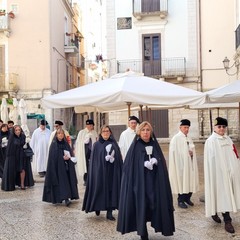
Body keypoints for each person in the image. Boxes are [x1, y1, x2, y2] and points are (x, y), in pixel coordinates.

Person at [117, 121, 175, 240]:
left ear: (151, 132)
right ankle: (143, 232)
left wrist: (156, 161)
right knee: (141, 205)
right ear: (139, 132)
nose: (145, 132)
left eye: (148, 130)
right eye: (143, 130)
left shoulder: (154, 145)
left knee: (154, 204)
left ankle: (157, 223)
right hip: (139, 184)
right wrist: (141, 164)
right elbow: (128, 166)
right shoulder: (136, 147)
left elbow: (162, 164)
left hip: (154, 183)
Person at [204, 117, 240, 234]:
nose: (221, 129)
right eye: (219, 126)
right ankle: (226, 220)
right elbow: (210, 161)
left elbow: (234, 154)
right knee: (220, 193)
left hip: (229, 173)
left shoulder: (228, 140)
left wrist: (234, 168)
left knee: (227, 194)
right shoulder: (211, 141)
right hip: (218, 174)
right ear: (214, 127)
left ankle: (220, 214)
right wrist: (220, 171)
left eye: (223, 127)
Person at [82, 125, 123, 220]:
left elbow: (118, 158)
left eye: (108, 131)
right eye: (104, 131)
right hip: (99, 172)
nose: (106, 133)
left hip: (111, 173)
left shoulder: (114, 144)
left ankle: (109, 212)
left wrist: (113, 159)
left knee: (111, 191)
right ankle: (97, 207)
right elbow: (94, 161)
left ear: (110, 132)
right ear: (101, 133)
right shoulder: (96, 145)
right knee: (98, 189)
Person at [42, 128, 79, 206]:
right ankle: (61, 198)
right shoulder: (54, 144)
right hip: (57, 168)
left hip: (66, 166)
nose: (61, 135)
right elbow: (53, 157)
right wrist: (61, 158)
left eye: (62, 133)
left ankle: (67, 197)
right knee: (61, 182)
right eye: (59, 133)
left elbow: (70, 153)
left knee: (66, 181)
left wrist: (68, 157)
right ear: (56, 135)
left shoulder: (65, 144)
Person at [168, 119, 199, 209]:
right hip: (180, 165)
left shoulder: (188, 138)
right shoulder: (176, 138)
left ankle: (187, 198)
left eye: (188, 127)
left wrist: (192, 153)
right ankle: (180, 200)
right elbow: (173, 153)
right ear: (180, 127)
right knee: (182, 181)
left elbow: (192, 149)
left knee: (190, 180)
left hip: (190, 164)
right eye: (185, 127)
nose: (186, 129)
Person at [1, 125, 34, 191]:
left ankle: (22, 184)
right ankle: (11, 185)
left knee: (22, 169)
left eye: (19, 130)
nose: (18, 131)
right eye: (16, 130)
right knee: (12, 171)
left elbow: (25, 146)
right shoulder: (12, 137)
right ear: (14, 131)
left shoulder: (23, 136)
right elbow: (10, 148)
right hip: (13, 156)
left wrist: (25, 145)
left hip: (21, 155)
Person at [75, 119, 98, 185]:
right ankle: (86, 180)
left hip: (92, 150)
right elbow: (79, 142)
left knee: (92, 165)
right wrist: (86, 138)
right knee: (85, 165)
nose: (89, 126)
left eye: (91, 125)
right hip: (84, 150)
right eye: (88, 125)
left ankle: (92, 179)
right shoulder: (82, 132)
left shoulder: (94, 132)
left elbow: (96, 140)